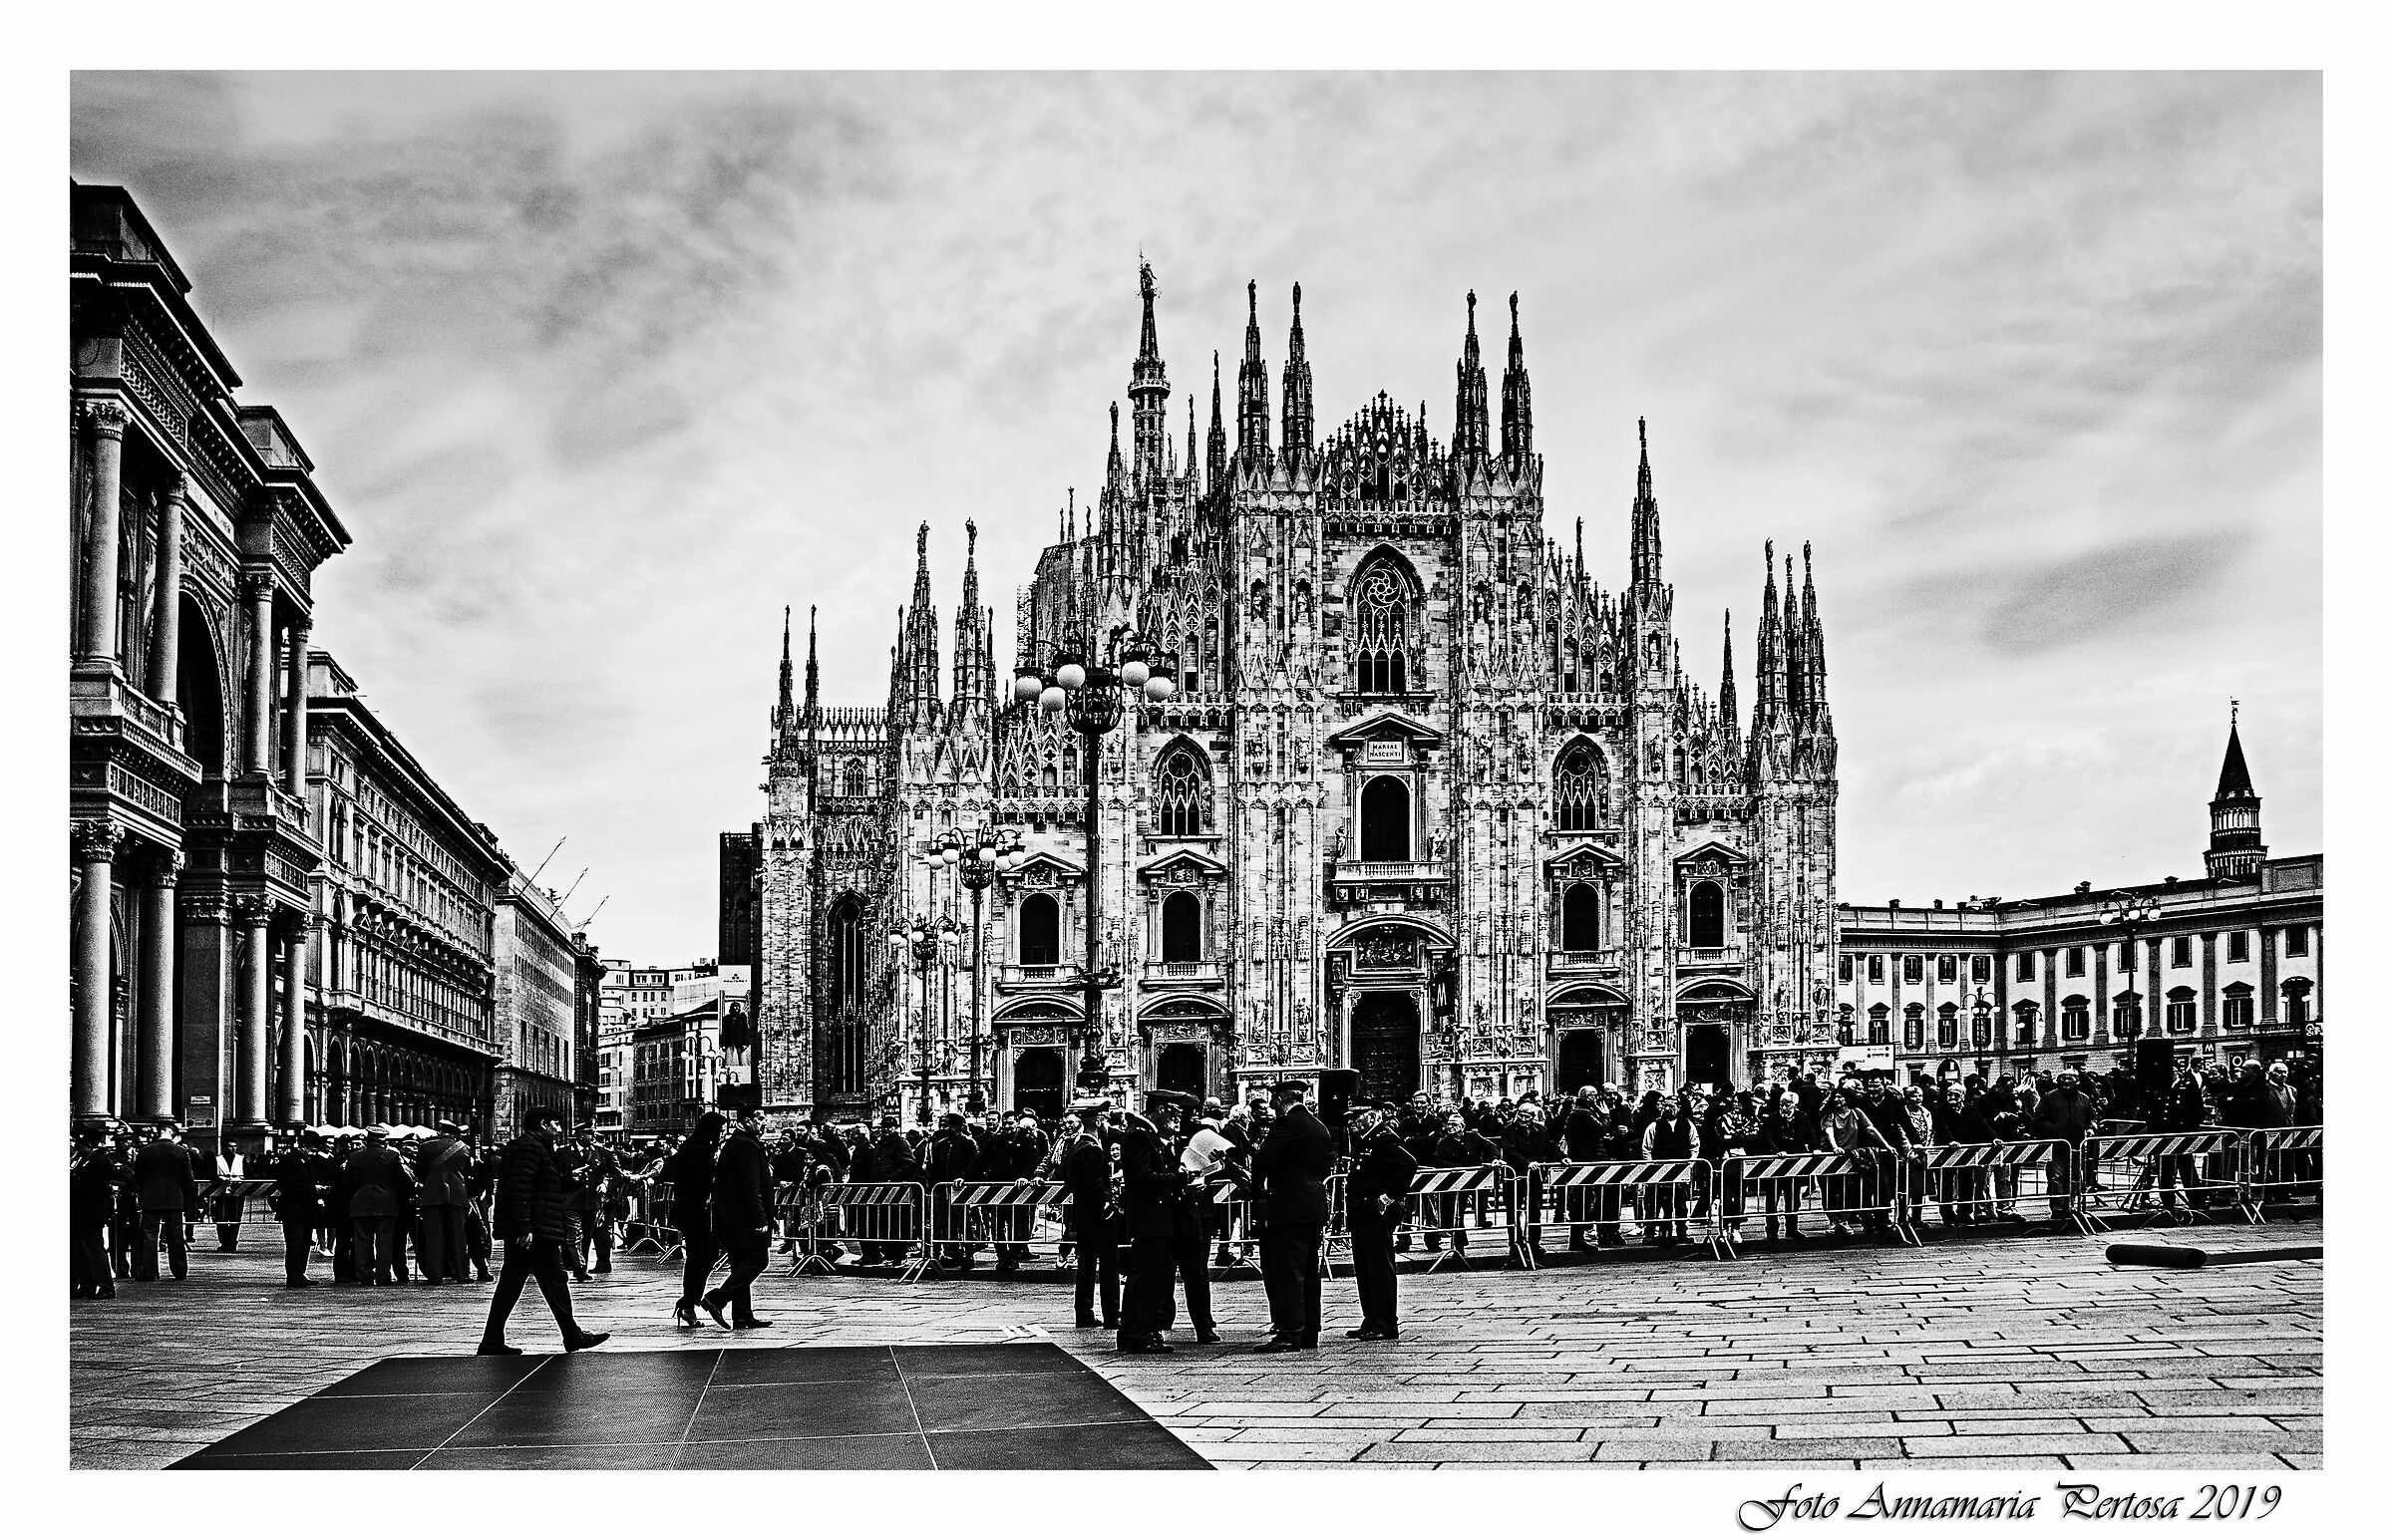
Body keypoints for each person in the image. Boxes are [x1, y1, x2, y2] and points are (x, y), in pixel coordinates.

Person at [479, 1110, 609, 1356]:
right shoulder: (529, 1148)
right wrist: (524, 1228)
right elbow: (519, 1189)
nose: (559, 1129)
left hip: (537, 1228)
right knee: (555, 1281)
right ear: (542, 1124)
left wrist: (568, 1177)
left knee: (513, 1284)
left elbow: (541, 1185)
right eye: (556, 1124)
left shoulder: (537, 1147)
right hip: (536, 1231)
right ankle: (572, 1335)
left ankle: (492, 1340)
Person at [1116, 1089, 1199, 1354]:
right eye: (1174, 1113)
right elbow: (1142, 1177)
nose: (1177, 1118)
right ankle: (1138, 1332)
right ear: (1161, 1110)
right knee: (1145, 1278)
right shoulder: (1139, 1136)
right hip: (1149, 1219)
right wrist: (1180, 1180)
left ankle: (1142, 1330)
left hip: (1157, 1219)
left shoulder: (1148, 1136)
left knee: (1151, 1278)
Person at [1251, 1079, 1332, 1353]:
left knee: (1288, 1271)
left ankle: (1289, 1332)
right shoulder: (1318, 1127)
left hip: (1288, 1208)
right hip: (1312, 1207)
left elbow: (1263, 1160)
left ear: (1281, 1100)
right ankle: (1310, 1330)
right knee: (1309, 1271)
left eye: (1274, 1101)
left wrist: (1257, 1185)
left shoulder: (1286, 1125)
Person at [1345, 1102, 1418, 1341]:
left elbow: (1408, 1163)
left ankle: (1386, 1322)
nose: (1352, 1123)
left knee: (1378, 1266)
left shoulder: (1383, 1139)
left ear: (1371, 1117)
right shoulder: (1365, 1139)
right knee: (1365, 1267)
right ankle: (1372, 1318)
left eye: (1357, 1118)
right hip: (1361, 1210)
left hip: (1376, 1211)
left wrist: (1389, 1196)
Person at [700, 1105, 775, 1331]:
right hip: (745, 1220)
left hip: (734, 1218)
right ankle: (717, 1298)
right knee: (758, 1260)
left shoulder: (737, 1143)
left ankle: (742, 1315)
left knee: (741, 1264)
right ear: (745, 1120)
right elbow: (750, 1186)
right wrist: (760, 1218)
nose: (763, 1122)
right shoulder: (746, 1145)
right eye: (759, 1118)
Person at [1058, 1097, 1121, 1330]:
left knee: (1086, 1265)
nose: (1106, 1124)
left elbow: (1069, 1182)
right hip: (1098, 1219)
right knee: (1108, 1265)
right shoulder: (1092, 1150)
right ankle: (1112, 1313)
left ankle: (1083, 1313)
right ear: (1098, 1120)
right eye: (1104, 1119)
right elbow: (1096, 1189)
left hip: (1082, 1216)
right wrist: (1108, 1209)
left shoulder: (1075, 1147)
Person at [666, 1110, 726, 1328]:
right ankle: (688, 1303)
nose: (721, 1134)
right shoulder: (699, 1150)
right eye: (719, 1130)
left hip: (690, 1210)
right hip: (696, 1211)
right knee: (702, 1256)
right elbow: (700, 1181)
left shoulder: (692, 1147)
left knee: (699, 1257)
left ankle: (688, 1303)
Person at [345, 1125, 414, 1285]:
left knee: (362, 1241)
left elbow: (346, 1183)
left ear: (368, 1140)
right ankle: (383, 1276)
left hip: (360, 1203)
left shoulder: (354, 1157)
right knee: (385, 1241)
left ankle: (365, 1276)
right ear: (383, 1141)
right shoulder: (392, 1156)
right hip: (387, 1204)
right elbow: (403, 1183)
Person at [133, 1120, 199, 1282]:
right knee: (175, 1235)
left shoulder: (144, 1151)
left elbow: (138, 1177)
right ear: (172, 1133)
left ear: (159, 1132)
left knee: (149, 1235)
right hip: (174, 1198)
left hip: (150, 1198)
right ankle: (180, 1270)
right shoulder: (181, 1152)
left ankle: (148, 1272)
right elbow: (189, 1179)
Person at [414, 1121, 473, 1285]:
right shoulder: (464, 1148)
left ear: (440, 1131)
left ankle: (435, 1276)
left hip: (433, 1195)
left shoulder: (427, 1147)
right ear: (455, 1134)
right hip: (457, 1196)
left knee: (434, 1237)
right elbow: (467, 1173)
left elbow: (419, 1172)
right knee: (458, 1237)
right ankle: (461, 1274)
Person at [268, 1130, 330, 1286]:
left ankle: (301, 1273)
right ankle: (293, 1275)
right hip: (293, 1210)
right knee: (295, 1243)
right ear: (303, 1147)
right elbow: (288, 1186)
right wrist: (313, 1189)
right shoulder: (290, 1161)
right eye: (312, 1150)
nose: (313, 1154)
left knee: (304, 1243)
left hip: (307, 1210)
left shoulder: (307, 1161)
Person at [71, 1124, 122, 1300]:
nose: (76, 1145)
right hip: (80, 1213)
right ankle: (87, 1285)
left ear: (89, 1145)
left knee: (93, 1250)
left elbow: (89, 1188)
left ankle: (105, 1285)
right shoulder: (83, 1160)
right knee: (81, 1251)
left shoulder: (98, 1162)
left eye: (80, 1142)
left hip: (90, 1213)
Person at [210, 1141, 247, 1251]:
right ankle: (224, 1241)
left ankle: (232, 1242)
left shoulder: (241, 1159)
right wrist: (219, 1179)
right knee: (221, 1218)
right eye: (230, 1146)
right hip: (221, 1193)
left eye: (235, 1146)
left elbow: (250, 1173)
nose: (233, 1148)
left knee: (235, 1218)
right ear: (225, 1147)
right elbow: (210, 1173)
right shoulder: (217, 1160)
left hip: (237, 1192)